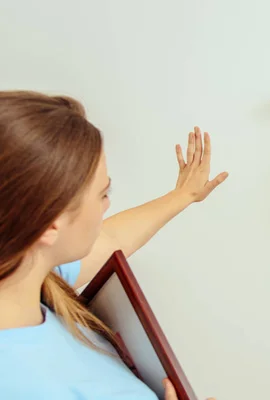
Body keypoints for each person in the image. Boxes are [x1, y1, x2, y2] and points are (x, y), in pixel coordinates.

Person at [0, 90, 228, 399]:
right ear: (50, 225)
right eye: (103, 194)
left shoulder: (30, 278)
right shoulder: (23, 385)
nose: (107, 206)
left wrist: (183, 195)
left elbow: (112, 238)